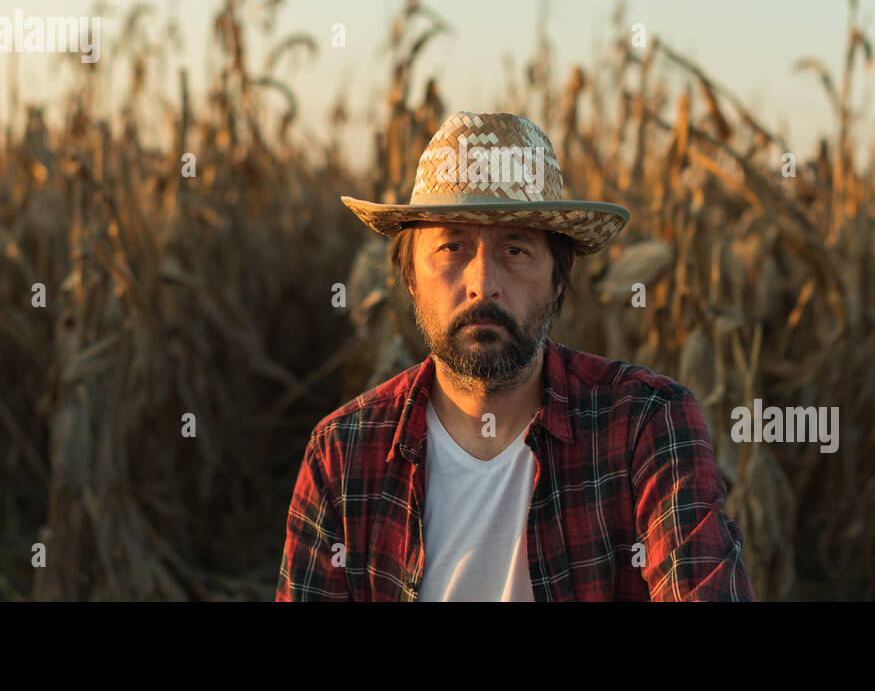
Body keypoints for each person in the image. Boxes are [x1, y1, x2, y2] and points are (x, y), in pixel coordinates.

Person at [276, 111, 754, 601]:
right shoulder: (343, 453)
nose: (483, 284)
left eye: (516, 249)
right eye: (452, 246)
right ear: (411, 278)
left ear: (558, 277)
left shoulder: (645, 425)